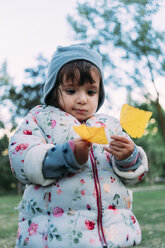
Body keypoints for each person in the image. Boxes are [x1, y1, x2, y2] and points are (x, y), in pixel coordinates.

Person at [9, 43, 148, 248]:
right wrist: (66, 156)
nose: (82, 99)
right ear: (54, 90)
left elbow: (134, 176)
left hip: (113, 234)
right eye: (72, 90)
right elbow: (21, 158)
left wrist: (128, 157)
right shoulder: (41, 118)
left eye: (91, 92)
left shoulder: (110, 125)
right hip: (55, 236)